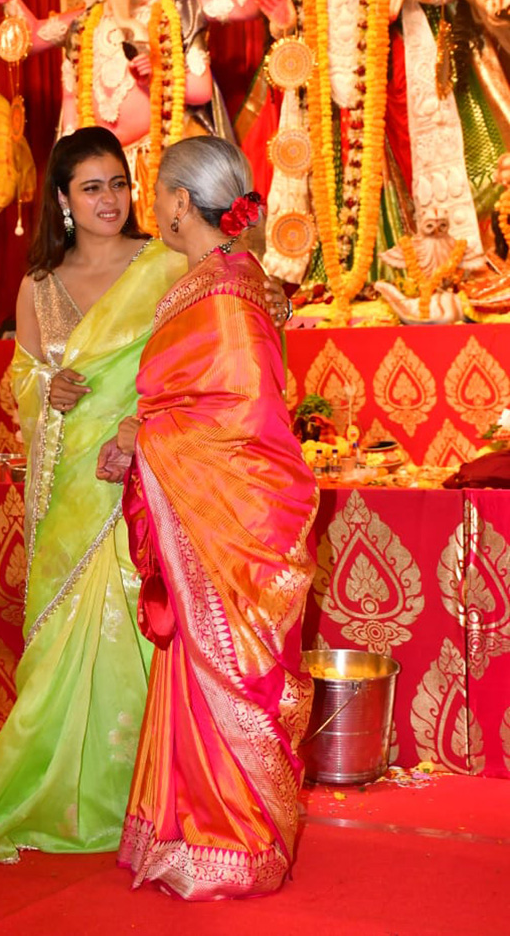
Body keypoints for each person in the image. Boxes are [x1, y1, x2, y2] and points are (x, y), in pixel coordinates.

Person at [0, 127, 291, 862]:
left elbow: (206, 354)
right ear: (63, 201)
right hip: (71, 482)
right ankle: (58, 791)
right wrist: (50, 389)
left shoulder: (167, 262)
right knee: (71, 637)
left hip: (149, 474)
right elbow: (23, 378)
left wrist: (137, 426)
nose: (111, 199)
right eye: (92, 187)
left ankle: (152, 789)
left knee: (145, 620)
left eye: (120, 184)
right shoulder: (38, 285)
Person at [97, 136, 318, 899]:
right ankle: (187, 828)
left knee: (221, 671)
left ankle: (230, 840)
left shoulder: (223, 290)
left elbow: (245, 419)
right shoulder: (219, 280)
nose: (152, 206)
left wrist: (143, 437)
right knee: (194, 669)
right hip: (210, 509)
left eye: (158, 192)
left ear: (184, 203)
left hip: (232, 519)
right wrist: (145, 434)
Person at [237, 0, 494, 324]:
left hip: (385, 72)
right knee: (328, 168)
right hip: (321, 84)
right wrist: (285, 22)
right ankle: (327, 275)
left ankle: (398, 270)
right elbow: (288, 14)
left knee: (389, 164)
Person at [0, 0, 261, 231]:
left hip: (164, 161)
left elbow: (243, 7)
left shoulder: (181, 11)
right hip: (101, 174)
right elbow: (33, 37)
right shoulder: (84, 22)